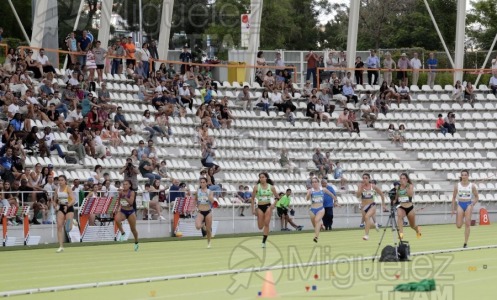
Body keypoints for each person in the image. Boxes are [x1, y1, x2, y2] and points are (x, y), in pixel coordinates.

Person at [251, 172, 279, 248]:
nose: (261, 179)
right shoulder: (256, 187)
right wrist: (253, 209)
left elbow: (277, 197)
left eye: (263, 177)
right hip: (259, 206)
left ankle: (263, 242)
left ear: (266, 178)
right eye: (260, 177)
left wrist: (274, 204)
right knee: (260, 227)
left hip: (268, 206)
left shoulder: (271, 187)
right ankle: (261, 218)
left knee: (267, 223)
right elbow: (253, 198)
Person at [451, 170, 479, 248]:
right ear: (461, 176)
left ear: (468, 176)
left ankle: (465, 243)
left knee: (467, 224)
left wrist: (472, 204)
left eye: (465, 175)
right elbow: (453, 197)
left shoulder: (472, 186)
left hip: (468, 204)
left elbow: (477, 197)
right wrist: (453, 209)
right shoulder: (457, 185)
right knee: (459, 225)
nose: (464, 176)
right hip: (460, 204)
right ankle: (462, 216)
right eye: (462, 175)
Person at [356, 173, 386, 241]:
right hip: (364, 206)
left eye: (366, 178)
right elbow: (357, 196)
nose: (364, 179)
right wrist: (360, 188)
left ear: (369, 179)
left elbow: (381, 194)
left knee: (367, 217)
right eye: (363, 178)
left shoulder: (373, 186)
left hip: (371, 205)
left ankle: (366, 235)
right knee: (368, 222)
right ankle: (375, 225)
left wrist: (383, 204)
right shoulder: (360, 186)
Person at [307, 177, 336, 243]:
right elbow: (307, 199)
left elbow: (331, 194)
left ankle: (316, 237)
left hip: (320, 208)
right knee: (315, 225)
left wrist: (336, 200)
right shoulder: (310, 190)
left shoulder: (323, 189)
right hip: (312, 209)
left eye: (315, 182)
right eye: (313, 182)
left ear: (318, 183)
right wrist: (309, 194)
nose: (314, 183)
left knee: (317, 220)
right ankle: (320, 225)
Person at [394, 173, 422, 240]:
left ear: (406, 179)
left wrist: (406, 186)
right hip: (401, 206)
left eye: (403, 178)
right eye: (401, 178)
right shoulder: (398, 187)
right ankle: (401, 234)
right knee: (399, 216)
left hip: (409, 207)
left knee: (412, 226)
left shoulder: (410, 186)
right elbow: (397, 196)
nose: (402, 180)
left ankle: (417, 229)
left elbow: (410, 195)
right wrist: (394, 200)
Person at [114, 180, 139, 251]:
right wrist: (117, 208)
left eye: (126, 184)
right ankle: (122, 233)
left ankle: (136, 242)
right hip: (123, 211)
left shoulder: (132, 192)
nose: (124, 185)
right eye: (123, 184)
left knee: (133, 229)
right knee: (117, 219)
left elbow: (131, 202)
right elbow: (119, 201)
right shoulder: (121, 192)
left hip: (130, 212)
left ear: (129, 185)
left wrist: (124, 196)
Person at [55, 175, 75, 253]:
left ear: (65, 181)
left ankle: (71, 222)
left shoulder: (68, 188)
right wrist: (55, 204)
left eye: (62, 180)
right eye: (59, 180)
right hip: (61, 207)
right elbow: (55, 199)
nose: (60, 182)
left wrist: (68, 206)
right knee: (59, 226)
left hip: (69, 207)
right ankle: (61, 246)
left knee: (68, 229)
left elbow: (73, 199)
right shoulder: (57, 189)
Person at [195, 177, 214, 248]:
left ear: (206, 183)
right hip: (200, 211)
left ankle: (209, 243)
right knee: (197, 226)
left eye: (204, 182)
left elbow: (212, 201)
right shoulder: (198, 191)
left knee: (208, 230)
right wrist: (194, 207)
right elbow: (195, 200)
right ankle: (203, 225)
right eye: (201, 182)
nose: (202, 184)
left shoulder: (210, 191)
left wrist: (209, 197)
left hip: (208, 211)